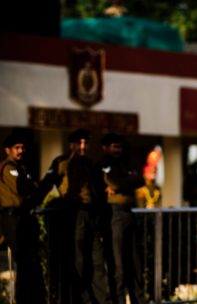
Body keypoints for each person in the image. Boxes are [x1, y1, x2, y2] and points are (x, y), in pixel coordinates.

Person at [40, 128, 111, 304]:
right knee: (77, 261)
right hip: (73, 213)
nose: (83, 146)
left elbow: (97, 192)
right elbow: (46, 185)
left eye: (86, 143)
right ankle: (78, 299)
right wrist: (30, 203)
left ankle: (103, 300)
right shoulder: (62, 163)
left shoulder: (89, 164)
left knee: (97, 261)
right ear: (71, 145)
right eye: (79, 143)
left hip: (91, 215)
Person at [97, 132, 146, 304]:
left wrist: (121, 184)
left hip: (128, 213)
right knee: (118, 267)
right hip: (114, 215)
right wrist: (124, 182)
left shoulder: (125, 162)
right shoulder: (103, 165)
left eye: (119, 146)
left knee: (135, 263)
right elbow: (115, 182)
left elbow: (140, 180)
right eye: (114, 146)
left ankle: (138, 300)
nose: (117, 150)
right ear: (105, 148)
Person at [0, 132, 46, 304]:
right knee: (25, 262)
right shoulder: (9, 167)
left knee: (30, 263)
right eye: (16, 148)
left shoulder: (22, 168)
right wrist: (33, 190)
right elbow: (22, 191)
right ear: (8, 150)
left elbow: (33, 190)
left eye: (22, 147)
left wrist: (34, 190)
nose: (21, 151)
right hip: (13, 217)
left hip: (23, 217)